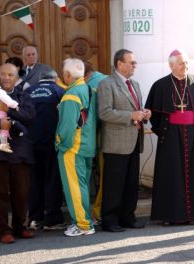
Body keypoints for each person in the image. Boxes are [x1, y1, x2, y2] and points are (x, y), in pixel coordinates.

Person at [145, 50, 194, 225]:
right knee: (170, 174)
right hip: (170, 135)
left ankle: (192, 214)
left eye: (187, 63)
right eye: (181, 63)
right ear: (171, 65)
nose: (185, 66)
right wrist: (164, 132)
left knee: (193, 172)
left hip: (191, 133)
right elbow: (155, 115)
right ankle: (169, 215)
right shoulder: (161, 85)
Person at [98, 49, 150, 232]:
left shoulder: (134, 84)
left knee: (130, 184)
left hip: (134, 141)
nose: (135, 65)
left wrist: (144, 113)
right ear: (119, 64)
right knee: (114, 185)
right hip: (116, 143)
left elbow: (136, 109)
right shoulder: (107, 84)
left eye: (135, 62)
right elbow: (104, 112)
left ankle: (128, 217)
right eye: (132, 62)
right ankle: (110, 221)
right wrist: (131, 115)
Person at [0, 63, 35, 244]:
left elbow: (29, 117)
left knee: (21, 192)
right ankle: (3, 230)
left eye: (10, 74)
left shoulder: (23, 95)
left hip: (21, 152)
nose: (6, 77)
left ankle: (20, 227)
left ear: (16, 78)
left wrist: (8, 111)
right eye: (3, 74)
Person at [56, 58, 96, 236]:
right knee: (82, 186)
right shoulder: (87, 88)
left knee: (74, 188)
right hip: (87, 145)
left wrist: (60, 144)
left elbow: (66, 127)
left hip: (73, 148)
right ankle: (84, 220)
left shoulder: (71, 94)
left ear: (67, 74)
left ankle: (83, 225)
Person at [25, 69, 66, 230]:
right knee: (52, 180)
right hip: (51, 143)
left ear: (40, 78)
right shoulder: (59, 91)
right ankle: (53, 218)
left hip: (31, 143)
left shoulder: (28, 91)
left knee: (34, 181)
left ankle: (35, 218)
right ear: (55, 79)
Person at [84, 61, 108, 225]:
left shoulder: (87, 86)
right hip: (112, 138)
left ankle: (97, 212)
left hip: (98, 138)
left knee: (101, 177)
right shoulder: (107, 79)